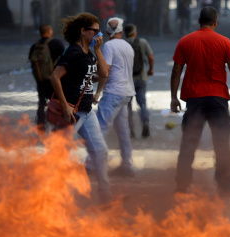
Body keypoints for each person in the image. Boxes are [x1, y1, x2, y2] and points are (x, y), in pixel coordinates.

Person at [170, 6, 230, 197]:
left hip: (194, 99)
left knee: (188, 144)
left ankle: (182, 187)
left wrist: (173, 97)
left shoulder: (185, 41)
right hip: (217, 99)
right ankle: (224, 187)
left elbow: (176, 71)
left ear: (199, 21)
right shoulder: (224, 42)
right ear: (215, 22)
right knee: (221, 144)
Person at [49, 13, 111, 204]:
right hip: (71, 112)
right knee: (60, 155)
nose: (98, 34)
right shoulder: (74, 52)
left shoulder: (89, 52)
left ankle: (105, 194)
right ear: (83, 31)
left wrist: (98, 50)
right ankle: (51, 196)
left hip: (86, 111)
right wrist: (66, 108)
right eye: (95, 30)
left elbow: (104, 73)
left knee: (100, 151)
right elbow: (54, 77)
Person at [93, 17, 136, 177]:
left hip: (113, 92)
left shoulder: (109, 46)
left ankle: (93, 165)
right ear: (121, 31)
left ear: (106, 32)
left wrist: (98, 92)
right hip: (126, 93)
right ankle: (127, 165)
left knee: (99, 128)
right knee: (123, 131)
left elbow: (106, 71)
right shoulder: (128, 46)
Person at [28, 24, 65, 130]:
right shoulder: (56, 43)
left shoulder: (34, 46)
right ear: (50, 31)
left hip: (40, 79)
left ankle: (41, 125)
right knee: (57, 101)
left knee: (42, 102)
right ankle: (57, 124)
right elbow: (65, 57)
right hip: (54, 78)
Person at [125, 24, 154, 138]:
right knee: (142, 103)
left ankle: (130, 129)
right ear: (134, 32)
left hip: (127, 80)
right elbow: (151, 57)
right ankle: (145, 123)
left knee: (128, 106)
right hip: (141, 77)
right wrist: (151, 69)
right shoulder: (142, 42)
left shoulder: (123, 44)